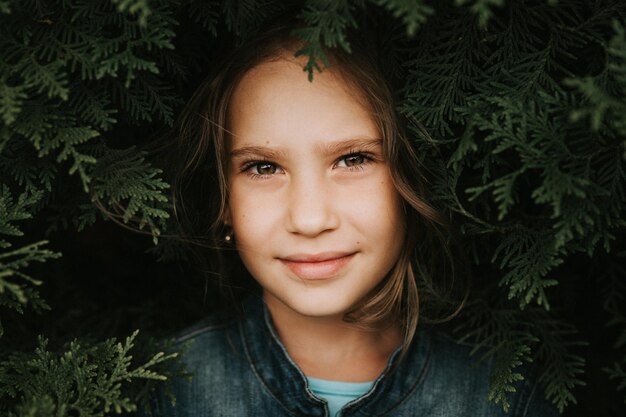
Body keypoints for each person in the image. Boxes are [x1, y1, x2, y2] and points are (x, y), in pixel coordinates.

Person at [146, 16, 559, 417]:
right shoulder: (168, 390)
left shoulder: (499, 398)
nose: (309, 220)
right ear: (224, 203)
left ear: (411, 180)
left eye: (352, 159)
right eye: (264, 168)